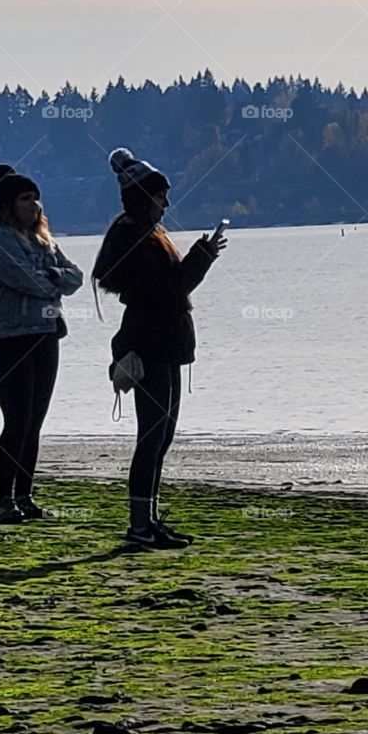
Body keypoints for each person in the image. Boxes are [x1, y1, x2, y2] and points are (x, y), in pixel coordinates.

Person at [92, 147, 227, 551]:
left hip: (160, 344)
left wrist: (199, 258)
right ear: (143, 197)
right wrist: (202, 257)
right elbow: (170, 290)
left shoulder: (143, 236)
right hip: (150, 345)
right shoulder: (135, 240)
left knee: (160, 436)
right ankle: (139, 525)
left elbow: (168, 288)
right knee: (152, 437)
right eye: (160, 196)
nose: (166, 204)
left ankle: (148, 520)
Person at [0, 164, 83, 523]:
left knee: (35, 421)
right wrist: (53, 282)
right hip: (7, 340)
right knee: (17, 419)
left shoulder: (45, 241)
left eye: (36, 198)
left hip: (45, 337)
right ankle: (3, 500)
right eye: (26, 198)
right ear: (9, 204)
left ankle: (25, 495)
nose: (35, 204)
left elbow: (77, 276)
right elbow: (26, 281)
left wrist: (53, 276)